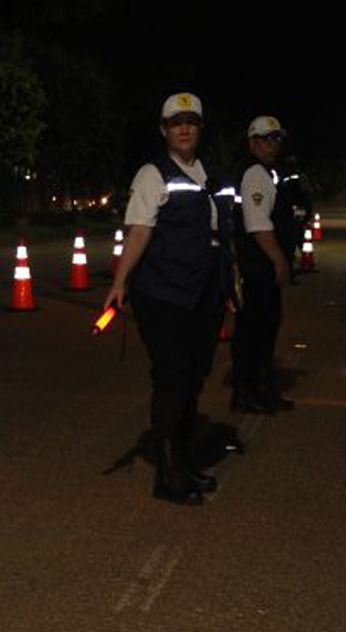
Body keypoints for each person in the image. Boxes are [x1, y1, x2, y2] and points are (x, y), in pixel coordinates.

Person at [103, 93, 235, 506]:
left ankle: (184, 462)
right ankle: (169, 475)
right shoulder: (152, 174)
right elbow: (139, 232)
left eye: (191, 122)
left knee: (195, 377)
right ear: (163, 130)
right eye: (176, 122)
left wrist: (233, 281)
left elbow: (224, 235)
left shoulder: (215, 175)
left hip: (205, 292)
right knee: (173, 378)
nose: (184, 128)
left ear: (199, 129)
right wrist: (120, 282)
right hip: (162, 293)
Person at [230, 116, 296, 413]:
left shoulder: (267, 173)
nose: (273, 144)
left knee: (265, 328)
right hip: (257, 266)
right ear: (252, 142)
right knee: (254, 330)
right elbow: (257, 224)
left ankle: (261, 388)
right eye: (267, 139)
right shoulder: (255, 174)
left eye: (277, 139)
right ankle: (247, 392)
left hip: (260, 265)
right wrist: (279, 260)